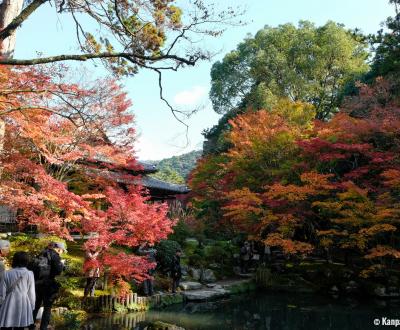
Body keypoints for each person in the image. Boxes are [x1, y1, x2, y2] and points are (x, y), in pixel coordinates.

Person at [29, 242, 66, 330]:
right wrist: (62, 265)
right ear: (59, 249)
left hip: (37, 284)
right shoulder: (55, 256)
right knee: (47, 308)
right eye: (62, 251)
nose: (62, 252)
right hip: (48, 285)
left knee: (36, 306)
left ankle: (30, 326)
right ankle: (43, 327)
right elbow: (58, 271)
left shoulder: (41, 253)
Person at [0, 251, 35, 330]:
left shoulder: (6, 273)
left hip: (9, 302)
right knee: (20, 326)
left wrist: (2, 303)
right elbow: (31, 293)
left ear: (14, 260)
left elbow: (2, 292)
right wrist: (32, 306)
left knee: (6, 324)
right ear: (26, 261)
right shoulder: (29, 273)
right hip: (23, 302)